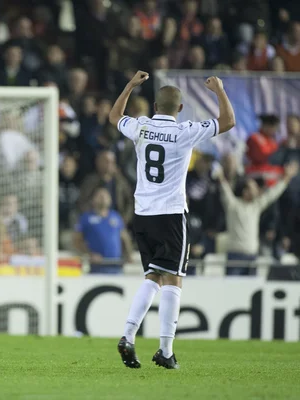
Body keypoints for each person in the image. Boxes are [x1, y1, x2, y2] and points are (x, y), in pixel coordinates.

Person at [108, 71, 235, 369]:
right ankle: (165, 351)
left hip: (143, 214)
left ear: (154, 107)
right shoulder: (185, 130)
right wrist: (219, 90)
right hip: (171, 213)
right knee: (173, 279)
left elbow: (115, 116)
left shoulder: (140, 127)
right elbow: (228, 122)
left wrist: (128, 86)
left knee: (153, 276)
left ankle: (128, 334)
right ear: (179, 109)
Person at [215, 162, 299, 275]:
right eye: (252, 188)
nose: (256, 190)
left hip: (252, 257)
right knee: (233, 290)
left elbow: (272, 194)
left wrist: (286, 178)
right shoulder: (233, 205)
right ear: (245, 191)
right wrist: (220, 175)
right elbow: (224, 189)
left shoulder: (255, 206)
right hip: (235, 257)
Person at [73, 187, 132, 274]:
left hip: (116, 266)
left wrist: (128, 254)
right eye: (99, 195)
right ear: (93, 200)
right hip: (97, 267)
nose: (103, 197)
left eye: (105, 195)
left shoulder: (116, 216)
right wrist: (90, 254)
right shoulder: (86, 218)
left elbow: (124, 237)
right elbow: (76, 241)